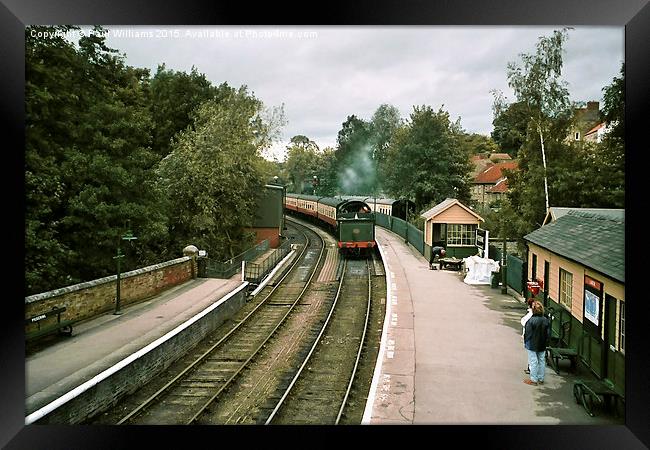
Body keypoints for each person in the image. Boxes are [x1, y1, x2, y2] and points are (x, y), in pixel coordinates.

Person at [523, 301, 551, 386]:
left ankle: (533, 380)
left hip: (532, 343)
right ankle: (541, 378)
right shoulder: (546, 320)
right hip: (542, 343)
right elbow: (548, 333)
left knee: (533, 361)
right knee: (542, 360)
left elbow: (527, 333)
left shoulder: (531, 320)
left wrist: (526, 342)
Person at [520, 297, 535, 374]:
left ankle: (531, 371)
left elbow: (524, 322)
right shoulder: (533, 315)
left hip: (530, 336)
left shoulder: (530, 315)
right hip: (534, 336)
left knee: (532, 354)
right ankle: (533, 370)